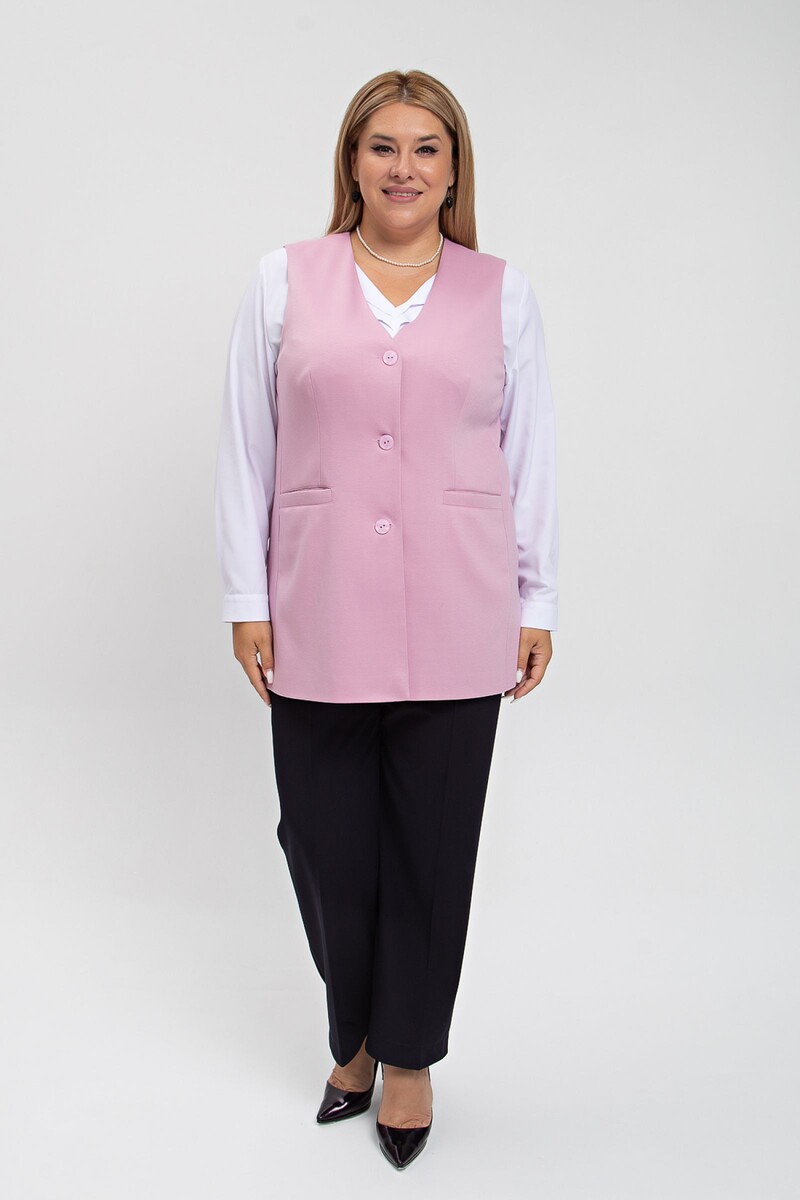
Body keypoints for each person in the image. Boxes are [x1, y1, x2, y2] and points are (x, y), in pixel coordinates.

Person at [214, 67, 559, 1171]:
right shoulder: (283, 280)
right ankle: (352, 1028)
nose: (403, 168)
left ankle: (402, 1057)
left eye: (425, 148)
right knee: (322, 843)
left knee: (432, 848)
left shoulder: (502, 294)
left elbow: (529, 454)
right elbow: (246, 446)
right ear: (351, 162)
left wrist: (537, 598)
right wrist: (246, 597)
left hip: (464, 604)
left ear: (453, 170)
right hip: (315, 604)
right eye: (382, 147)